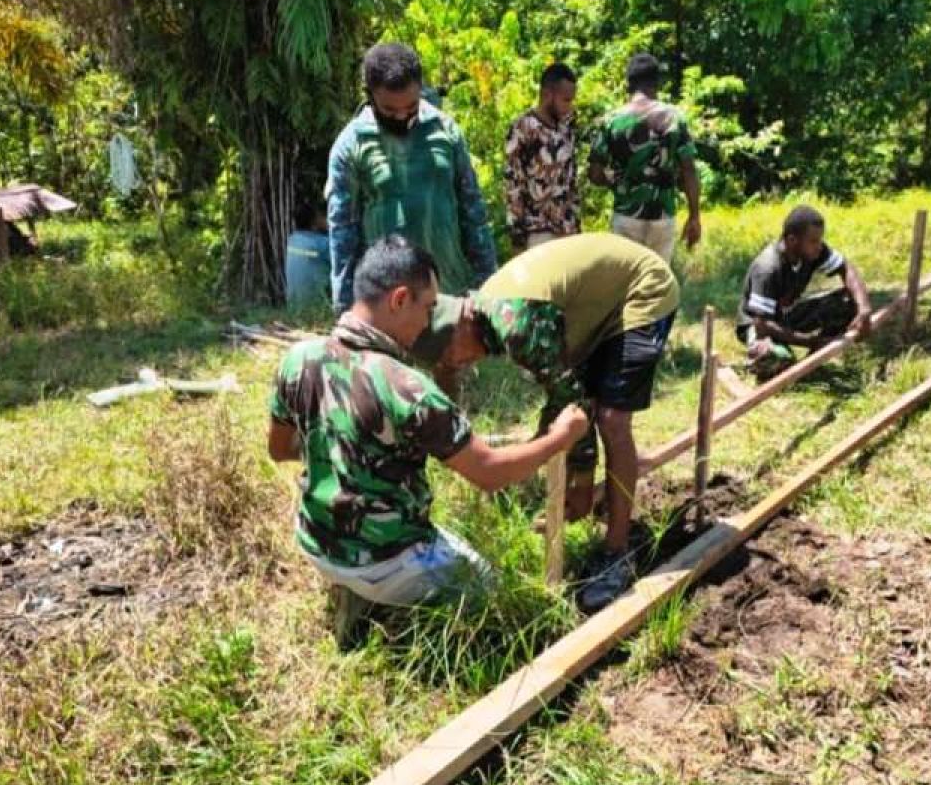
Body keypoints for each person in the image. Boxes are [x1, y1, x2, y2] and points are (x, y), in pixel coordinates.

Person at [267, 235, 589, 646]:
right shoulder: (407, 388)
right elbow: (489, 474)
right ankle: (389, 598)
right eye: (429, 307)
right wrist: (560, 438)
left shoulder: (298, 358)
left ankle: (357, 596)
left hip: (315, 543)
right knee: (492, 592)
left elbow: (279, 450)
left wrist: (338, 444)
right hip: (389, 561)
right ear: (400, 299)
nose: (429, 321)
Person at [410, 233, 680, 613]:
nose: (456, 364)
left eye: (451, 355)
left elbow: (573, 402)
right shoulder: (482, 311)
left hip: (642, 288)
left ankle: (618, 552)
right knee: (568, 413)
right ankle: (582, 504)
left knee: (612, 419)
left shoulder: (516, 325)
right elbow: (559, 393)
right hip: (598, 304)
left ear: (461, 325)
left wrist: (583, 484)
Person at [324, 42, 498, 314]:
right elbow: (342, 235)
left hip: (449, 295)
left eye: (411, 107)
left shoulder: (446, 132)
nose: (402, 116)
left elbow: (473, 212)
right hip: (388, 307)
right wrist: (346, 310)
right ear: (369, 95)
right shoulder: (351, 146)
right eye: (390, 111)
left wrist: (488, 287)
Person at [734, 205, 874, 380]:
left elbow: (845, 267)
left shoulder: (812, 252)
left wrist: (864, 309)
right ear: (792, 240)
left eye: (820, 240)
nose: (819, 246)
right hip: (758, 325)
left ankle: (813, 360)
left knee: (848, 301)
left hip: (785, 316)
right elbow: (762, 324)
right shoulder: (768, 268)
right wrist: (808, 340)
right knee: (775, 359)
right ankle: (771, 358)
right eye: (813, 241)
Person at [588, 52, 701, 263]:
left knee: (626, 284)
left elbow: (594, 174)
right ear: (656, 83)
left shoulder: (612, 121)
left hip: (626, 216)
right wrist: (694, 216)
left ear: (629, 84)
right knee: (657, 285)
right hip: (663, 216)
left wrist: (615, 181)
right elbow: (689, 170)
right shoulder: (675, 118)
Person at [504, 62, 581, 253]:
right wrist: (518, 237)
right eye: (566, 100)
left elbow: (571, 180)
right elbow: (514, 185)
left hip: (567, 231)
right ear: (547, 95)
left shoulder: (567, 128)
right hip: (538, 233)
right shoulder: (524, 129)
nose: (569, 106)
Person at [284, 201, 331, 308]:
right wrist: (330, 227)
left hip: (293, 305)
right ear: (314, 222)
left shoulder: (292, 240)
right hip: (317, 305)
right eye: (321, 216)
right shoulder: (322, 244)